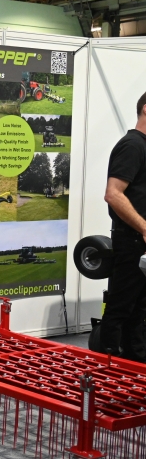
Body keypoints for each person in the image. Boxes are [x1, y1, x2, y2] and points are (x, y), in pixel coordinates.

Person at [102, 90, 146, 361]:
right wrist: (144, 227)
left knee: (139, 310)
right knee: (121, 307)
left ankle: (135, 368)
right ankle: (106, 368)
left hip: (140, 240)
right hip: (132, 240)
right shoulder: (132, 146)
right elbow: (113, 194)